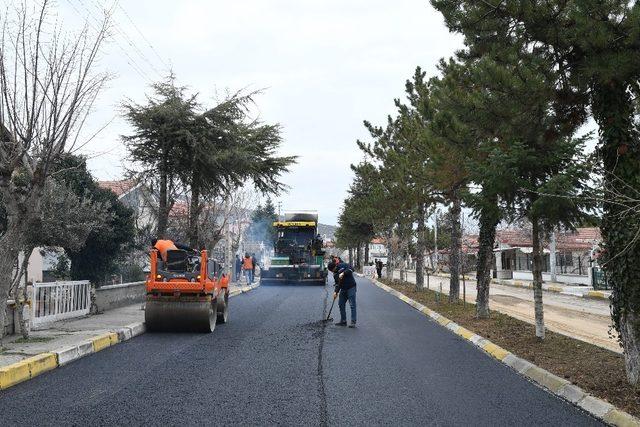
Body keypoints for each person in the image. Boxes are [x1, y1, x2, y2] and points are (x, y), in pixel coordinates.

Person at [328, 259, 357, 328]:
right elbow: (338, 284)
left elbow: (352, 269)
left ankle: (353, 321)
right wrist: (336, 292)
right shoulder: (335, 274)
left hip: (351, 287)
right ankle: (343, 321)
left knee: (352, 305)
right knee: (341, 304)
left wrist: (344, 273)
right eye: (331, 271)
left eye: (332, 270)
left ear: (335, 266)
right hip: (343, 289)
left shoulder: (343, 265)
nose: (332, 272)